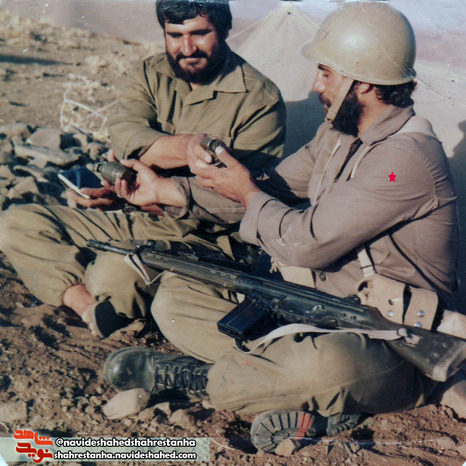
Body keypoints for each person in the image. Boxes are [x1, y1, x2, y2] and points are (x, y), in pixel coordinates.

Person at [102, 2, 460, 453]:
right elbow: (271, 187)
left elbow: (303, 243)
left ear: (363, 82)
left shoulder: (404, 160)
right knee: (178, 299)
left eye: (326, 73)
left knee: (326, 367)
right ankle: (302, 393)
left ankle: (205, 379)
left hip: (389, 340)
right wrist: (168, 191)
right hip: (315, 310)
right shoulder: (337, 135)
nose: (316, 86)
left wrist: (247, 192)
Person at [0, 0, 285, 337]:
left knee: (111, 276)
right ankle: (85, 303)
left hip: (205, 238)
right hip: (138, 218)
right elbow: (124, 135)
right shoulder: (150, 74)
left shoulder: (259, 99)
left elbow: (240, 200)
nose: (187, 48)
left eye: (199, 34)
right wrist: (184, 149)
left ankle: (112, 292)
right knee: (16, 223)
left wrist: (154, 190)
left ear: (224, 30)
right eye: (175, 36)